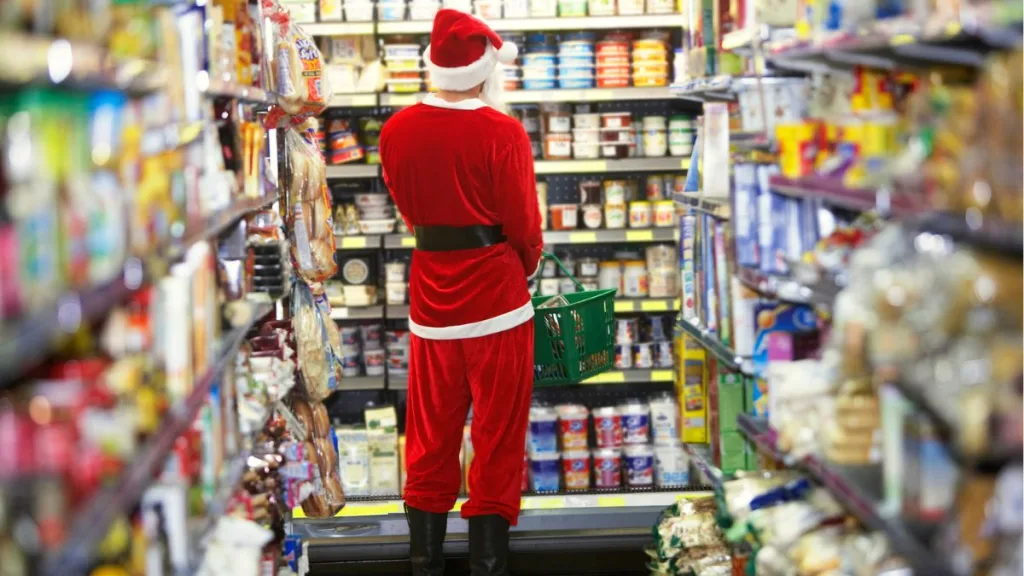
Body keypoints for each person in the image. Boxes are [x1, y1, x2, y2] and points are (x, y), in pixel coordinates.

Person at [378, 9, 543, 576]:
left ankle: (423, 556)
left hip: (431, 295)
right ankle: (488, 561)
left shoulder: (396, 129)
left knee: (429, 431)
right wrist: (523, 264)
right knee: (497, 434)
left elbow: (406, 206)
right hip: (496, 299)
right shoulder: (504, 132)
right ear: (485, 69)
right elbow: (524, 225)